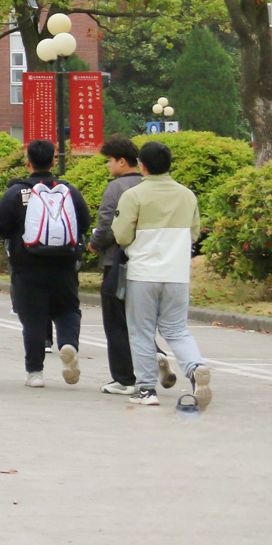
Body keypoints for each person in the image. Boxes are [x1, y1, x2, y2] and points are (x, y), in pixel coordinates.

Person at [113, 140, 212, 409]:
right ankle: (195, 367)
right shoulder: (187, 195)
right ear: (169, 164)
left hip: (143, 273)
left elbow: (121, 235)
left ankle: (146, 389)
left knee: (142, 332)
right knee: (177, 329)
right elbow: (194, 233)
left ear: (142, 166)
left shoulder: (133, 195)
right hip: (177, 273)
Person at [0, 139, 89, 388]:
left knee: (33, 318)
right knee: (68, 309)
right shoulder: (69, 191)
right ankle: (68, 343)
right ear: (54, 161)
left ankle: (35, 372)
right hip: (64, 263)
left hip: (27, 265)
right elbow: (84, 223)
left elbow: (1, 227)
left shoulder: (16, 192)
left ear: (29, 163)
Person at [88, 136, 152, 395]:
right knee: (141, 319)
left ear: (122, 161)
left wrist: (94, 244)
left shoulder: (116, 188)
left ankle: (124, 378)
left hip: (117, 261)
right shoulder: (148, 184)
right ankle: (155, 356)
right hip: (147, 260)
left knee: (116, 321)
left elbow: (107, 225)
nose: (108, 165)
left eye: (110, 161)